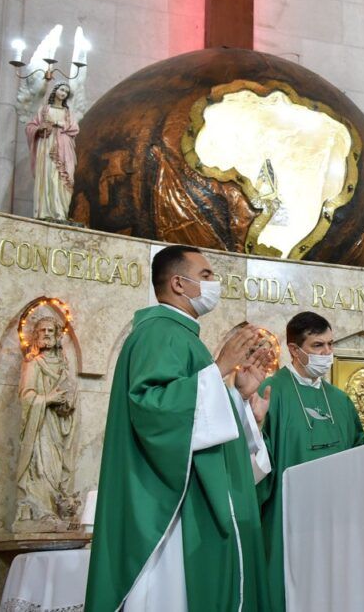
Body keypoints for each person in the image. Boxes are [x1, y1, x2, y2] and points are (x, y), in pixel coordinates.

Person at [86, 245, 274, 611]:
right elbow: (152, 409)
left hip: (189, 501)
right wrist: (219, 369)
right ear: (177, 283)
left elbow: (198, 416)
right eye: (205, 276)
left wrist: (239, 397)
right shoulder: (160, 332)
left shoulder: (182, 335)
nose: (213, 283)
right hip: (173, 513)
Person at [256, 311, 364, 611]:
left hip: (335, 528)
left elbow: (356, 460)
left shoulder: (340, 401)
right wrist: (252, 424)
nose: (328, 354)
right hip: (287, 526)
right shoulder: (270, 393)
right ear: (294, 349)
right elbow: (255, 464)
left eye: (330, 345)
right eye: (318, 346)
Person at [14, 316, 78, 531]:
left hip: (57, 427)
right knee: (41, 468)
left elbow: (70, 396)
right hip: (39, 427)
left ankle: (55, 509)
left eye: (51, 331)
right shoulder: (33, 363)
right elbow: (26, 396)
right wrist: (48, 399)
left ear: (58, 336)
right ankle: (41, 511)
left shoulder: (63, 366)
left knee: (56, 468)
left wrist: (66, 404)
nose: (47, 334)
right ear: (36, 335)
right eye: (42, 331)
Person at [26, 82, 79, 221]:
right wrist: (39, 129)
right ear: (55, 90)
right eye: (61, 89)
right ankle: (44, 211)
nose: (63, 93)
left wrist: (59, 124)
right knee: (47, 175)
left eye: (66, 92)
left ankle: (60, 212)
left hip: (63, 147)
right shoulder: (44, 110)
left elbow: (74, 128)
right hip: (46, 145)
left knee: (62, 178)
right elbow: (31, 126)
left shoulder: (68, 113)